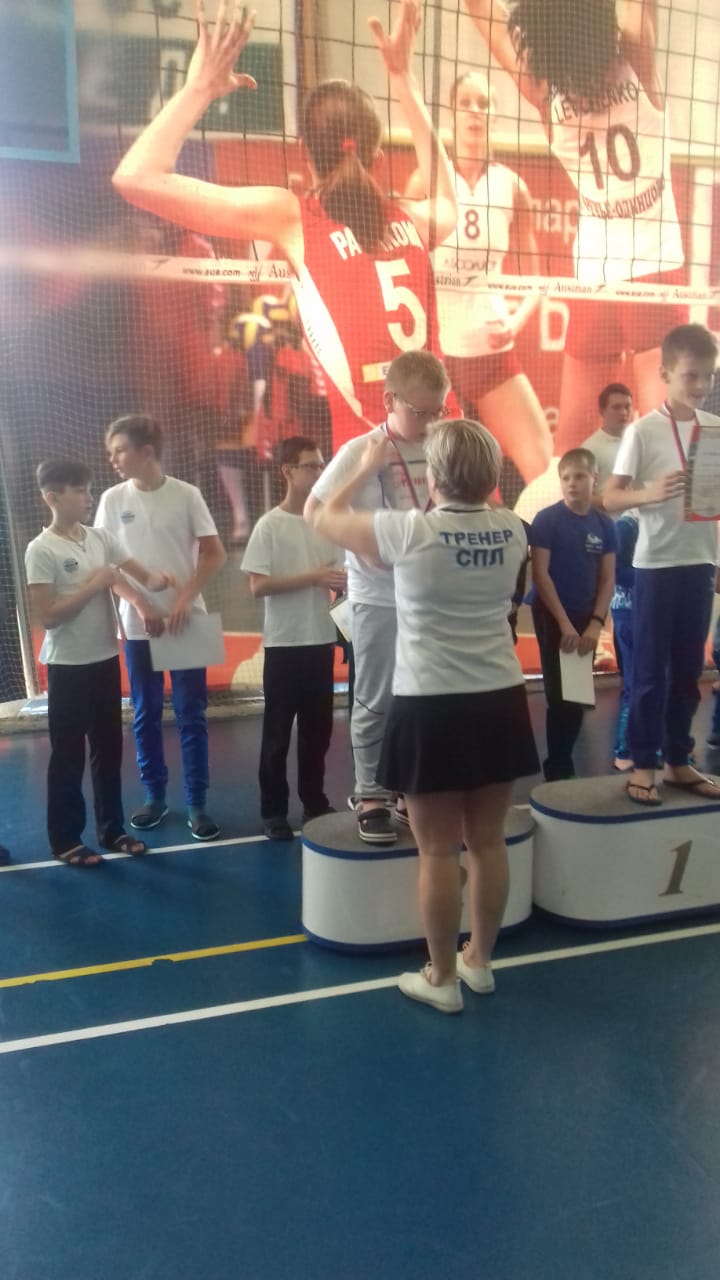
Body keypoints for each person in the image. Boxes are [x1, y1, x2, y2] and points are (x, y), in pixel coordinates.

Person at [111, 0, 457, 455]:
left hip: (376, 467)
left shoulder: (293, 216)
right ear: (377, 155)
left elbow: (134, 177)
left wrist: (200, 87)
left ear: (303, 149)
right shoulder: (412, 219)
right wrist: (403, 77)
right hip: (453, 454)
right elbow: (448, 199)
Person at [312, 418, 539, 1013]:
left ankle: (441, 978)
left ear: (433, 476)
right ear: (491, 476)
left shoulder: (410, 530)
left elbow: (321, 515)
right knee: (487, 842)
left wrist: (364, 468)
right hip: (500, 699)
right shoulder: (513, 529)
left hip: (432, 705)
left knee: (437, 851)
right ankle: (479, 962)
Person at [464, 0, 687, 449]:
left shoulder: (545, 93)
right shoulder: (637, 59)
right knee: (668, 449)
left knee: (571, 448)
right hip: (654, 270)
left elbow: (483, 11)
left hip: (595, 278)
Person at [305, 349, 451, 845]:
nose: (429, 421)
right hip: (378, 597)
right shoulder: (360, 450)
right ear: (389, 401)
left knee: (422, 697)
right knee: (376, 697)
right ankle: (370, 793)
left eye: (438, 411)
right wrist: (365, 472)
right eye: (419, 411)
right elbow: (315, 513)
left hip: (429, 595)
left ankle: (408, 786)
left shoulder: (442, 445)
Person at [25, 459, 175, 867]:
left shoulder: (100, 538)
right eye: (79, 491)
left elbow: (141, 575)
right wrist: (97, 583)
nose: (88, 497)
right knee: (68, 754)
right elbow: (49, 616)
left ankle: (112, 829)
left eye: (89, 489)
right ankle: (65, 839)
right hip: (68, 667)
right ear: (52, 497)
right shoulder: (42, 549)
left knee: (108, 750)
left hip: (106, 660)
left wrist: (163, 581)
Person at [405, 70, 552, 484]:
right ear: (451, 113)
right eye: (465, 103)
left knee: (544, 468)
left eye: (484, 103)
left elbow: (537, 279)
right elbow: (403, 262)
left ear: (494, 116)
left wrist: (515, 322)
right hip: (436, 353)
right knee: (437, 477)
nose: (474, 111)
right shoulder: (426, 180)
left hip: (489, 348)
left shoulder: (512, 186)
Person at [603, 323, 720, 805]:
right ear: (666, 373)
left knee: (690, 671)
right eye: (691, 375)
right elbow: (609, 498)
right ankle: (644, 763)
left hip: (701, 562)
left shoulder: (714, 430)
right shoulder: (643, 431)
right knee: (650, 672)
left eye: (708, 376)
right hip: (655, 566)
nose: (701, 385)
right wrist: (648, 493)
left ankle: (677, 759)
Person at [95, 415, 227, 839]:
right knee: (145, 713)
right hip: (139, 628)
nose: (113, 459)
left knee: (192, 714)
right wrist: (139, 603)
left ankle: (197, 803)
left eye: (120, 450)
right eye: (112, 452)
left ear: (146, 451)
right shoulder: (112, 500)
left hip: (188, 622)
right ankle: (154, 796)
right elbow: (106, 565)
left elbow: (214, 553)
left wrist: (184, 599)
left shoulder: (186, 495)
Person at [241, 436, 347, 840]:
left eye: (321, 465)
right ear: (287, 471)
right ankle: (273, 811)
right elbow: (258, 586)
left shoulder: (327, 522)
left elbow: (342, 576)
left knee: (318, 731)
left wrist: (343, 583)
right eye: (310, 466)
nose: (319, 472)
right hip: (284, 645)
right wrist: (313, 577)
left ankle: (314, 801)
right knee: (277, 734)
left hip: (321, 640)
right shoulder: (270, 525)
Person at [530, 448, 616, 781]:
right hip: (552, 616)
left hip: (585, 617)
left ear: (594, 478)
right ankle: (558, 770)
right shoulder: (547, 520)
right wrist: (565, 624)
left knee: (577, 694)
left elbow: (607, 578)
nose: (572, 483)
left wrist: (595, 624)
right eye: (566, 478)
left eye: (579, 476)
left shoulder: (604, 524)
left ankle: (563, 761)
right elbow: (541, 574)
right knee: (559, 696)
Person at [581, 382, 634, 498]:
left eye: (627, 407)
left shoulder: (641, 441)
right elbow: (583, 498)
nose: (624, 413)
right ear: (602, 412)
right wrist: (615, 502)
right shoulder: (590, 449)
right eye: (616, 407)